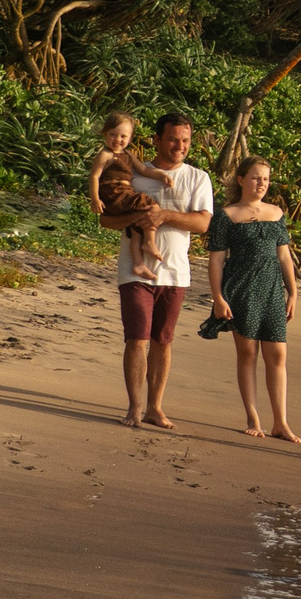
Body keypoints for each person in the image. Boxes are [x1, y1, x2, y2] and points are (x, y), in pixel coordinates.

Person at [96, 113, 213, 430]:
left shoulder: (197, 178)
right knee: (137, 338)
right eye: (173, 139)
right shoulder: (133, 172)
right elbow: (106, 220)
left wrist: (162, 216)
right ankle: (134, 407)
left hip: (176, 271)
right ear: (158, 140)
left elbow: (203, 223)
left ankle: (155, 408)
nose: (180, 146)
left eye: (186, 141)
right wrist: (137, 220)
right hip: (135, 270)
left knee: (163, 340)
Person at [204, 155, 301, 443]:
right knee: (248, 354)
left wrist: (292, 291)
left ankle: (280, 422)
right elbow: (216, 261)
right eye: (256, 177)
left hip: (271, 289)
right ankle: (253, 417)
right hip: (241, 288)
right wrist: (218, 298)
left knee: (278, 355)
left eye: (266, 179)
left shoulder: (276, 213)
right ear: (241, 179)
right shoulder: (226, 215)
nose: (262, 183)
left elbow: (284, 255)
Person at [88, 112, 176, 285]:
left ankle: (138, 263)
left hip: (124, 191)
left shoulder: (128, 154)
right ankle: (149, 242)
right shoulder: (105, 154)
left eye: (123, 136)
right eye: (112, 134)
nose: (117, 139)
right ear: (105, 133)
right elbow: (94, 177)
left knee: (137, 225)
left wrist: (161, 175)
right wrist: (95, 199)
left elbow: (144, 170)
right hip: (114, 192)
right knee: (150, 204)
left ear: (130, 138)